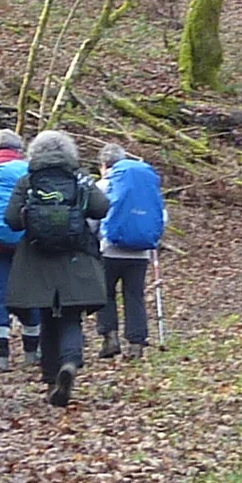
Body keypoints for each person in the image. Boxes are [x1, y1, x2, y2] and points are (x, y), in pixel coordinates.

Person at [5, 130, 110, 406]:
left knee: (47, 319)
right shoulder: (79, 179)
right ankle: (70, 364)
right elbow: (101, 208)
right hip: (75, 258)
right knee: (71, 317)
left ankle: (52, 379)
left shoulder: (28, 181)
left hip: (37, 259)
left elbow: (12, 220)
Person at [0, 130, 42, 372]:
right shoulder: (30, 170)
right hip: (27, 240)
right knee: (31, 291)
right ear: (19, 150)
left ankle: (1, 356)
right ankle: (31, 351)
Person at [96, 144, 166, 361]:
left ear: (104, 165)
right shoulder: (146, 186)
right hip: (140, 252)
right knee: (134, 295)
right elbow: (162, 216)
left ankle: (110, 337)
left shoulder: (104, 184)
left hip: (109, 249)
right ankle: (136, 343)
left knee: (105, 294)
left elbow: (93, 216)